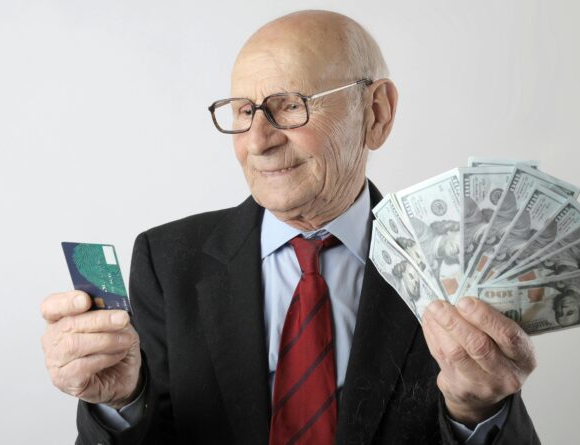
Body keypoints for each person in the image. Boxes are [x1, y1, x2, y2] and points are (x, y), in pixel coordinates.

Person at [40, 10, 539, 445]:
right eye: (242, 111)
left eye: (290, 104)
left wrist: (479, 411)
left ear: (377, 113)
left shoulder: (459, 264)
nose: (258, 140)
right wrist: (122, 404)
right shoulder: (167, 260)